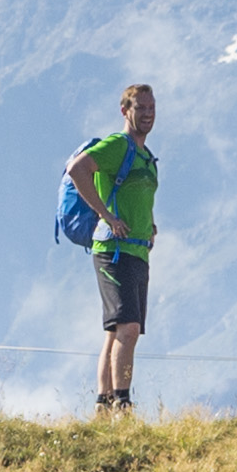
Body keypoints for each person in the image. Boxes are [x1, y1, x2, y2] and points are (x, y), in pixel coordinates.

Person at [72, 82, 158, 417]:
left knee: (116, 330)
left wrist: (149, 223)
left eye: (152, 108)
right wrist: (105, 215)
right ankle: (123, 401)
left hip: (137, 252)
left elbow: (138, 194)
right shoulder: (117, 145)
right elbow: (78, 169)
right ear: (125, 111)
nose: (148, 114)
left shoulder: (147, 157)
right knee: (129, 328)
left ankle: (103, 404)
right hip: (113, 250)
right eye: (141, 108)